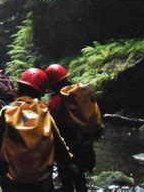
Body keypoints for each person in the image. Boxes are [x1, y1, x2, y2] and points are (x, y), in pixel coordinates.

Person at [0, 68, 77, 192]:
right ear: (40, 93)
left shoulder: (7, 111)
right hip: (41, 182)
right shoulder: (45, 112)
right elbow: (58, 142)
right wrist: (70, 162)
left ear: (19, 89)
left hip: (12, 181)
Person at [46, 64, 102, 192]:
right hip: (85, 144)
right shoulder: (81, 96)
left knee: (67, 181)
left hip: (67, 149)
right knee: (80, 178)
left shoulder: (54, 102)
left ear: (52, 84)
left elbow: (49, 127)